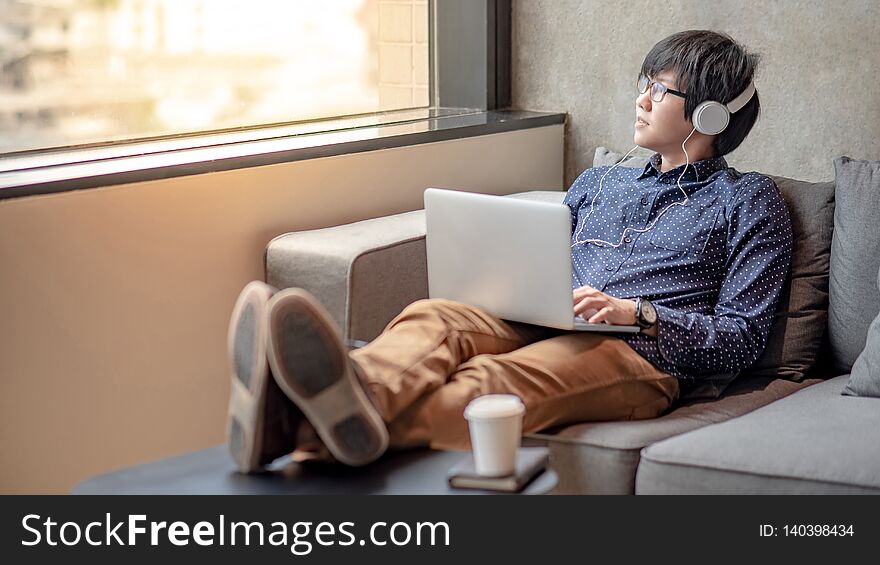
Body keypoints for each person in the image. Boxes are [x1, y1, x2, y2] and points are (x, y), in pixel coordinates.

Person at [226, 29, 793, 472]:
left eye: (661, 89)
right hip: (542, 317)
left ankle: (290, 427)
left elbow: (742, 336)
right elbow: (535, 252)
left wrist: (638, 315)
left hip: (640, 355)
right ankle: (347, 392)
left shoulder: (749, 200)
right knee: (436, 317)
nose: (641, 98)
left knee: (491, 385)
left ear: (709, 115)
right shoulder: (603, 182)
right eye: (643, 81)